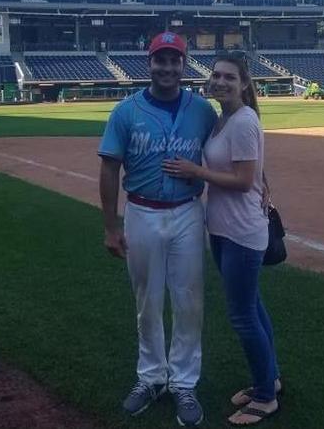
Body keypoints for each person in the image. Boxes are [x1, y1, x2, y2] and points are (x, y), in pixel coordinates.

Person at [98, 31, 217, 426]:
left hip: (187, 212)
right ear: (149, 63)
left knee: (189, 300)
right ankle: (150, 378)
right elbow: (110, 167)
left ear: (183, 65)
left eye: (174, 60)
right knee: (147, 300)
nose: (167, 67)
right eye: (160, 60)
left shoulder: (202, 110)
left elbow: (228, 152)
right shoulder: (126, 111)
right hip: (142, 212)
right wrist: (110, 226)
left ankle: (184, 382)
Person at [163, 53, 281, 426]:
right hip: (225, 229)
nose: (221, 81)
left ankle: (265, 397)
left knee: (243, 316)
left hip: (242, 233)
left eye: (229, 77)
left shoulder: (242, 120)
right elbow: (252, 171)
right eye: (216, 75)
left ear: (244, 84)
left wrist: (196, 171)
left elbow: (245, 180)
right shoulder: (223, 120)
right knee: (254, 309)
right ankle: (270, 379)